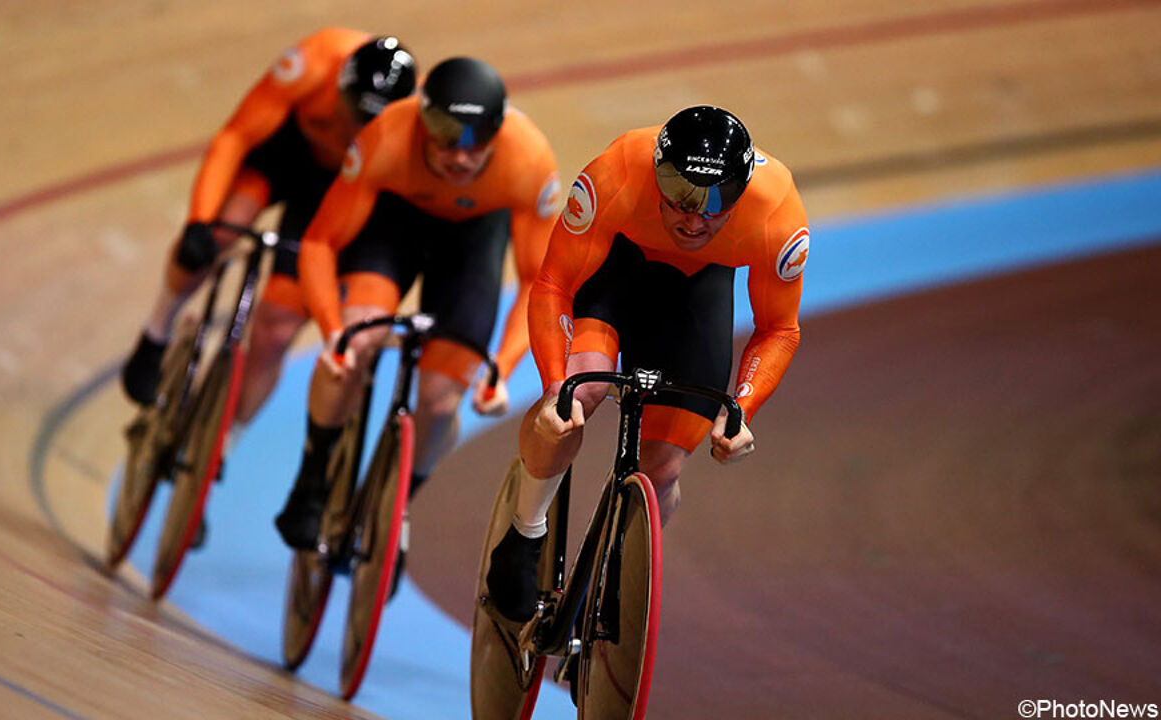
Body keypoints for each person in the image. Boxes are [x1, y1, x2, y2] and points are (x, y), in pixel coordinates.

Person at [484, 105, 810, 621]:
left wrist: (742, 408)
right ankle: (526, 531)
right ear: (656, 174)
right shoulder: (615, 170)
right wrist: (554, 387)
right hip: (618, 272)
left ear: (743, 189)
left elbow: (778, 329)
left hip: (696, 295)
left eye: (717, 201)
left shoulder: (777, 209)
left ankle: (617, 573)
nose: (695, 218)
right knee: (578, 397)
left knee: (662, 467)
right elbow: (553, 285)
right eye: (679, 196)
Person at [274, 57, 563, 553]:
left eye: (476, 143)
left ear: (498, 132)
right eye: (445, 136)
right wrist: (331, 332)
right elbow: (320, 241)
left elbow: (539, 280)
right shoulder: (387, 136)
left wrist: (504, 368)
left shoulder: (530, 159)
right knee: (357, 340)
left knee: (440, 399)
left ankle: (399, 502)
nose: (460, 157)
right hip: (394, 224)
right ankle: (313, 475)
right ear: (423, 121)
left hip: (473, 242)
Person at [119, 28, 417, 444]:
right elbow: (235, 137)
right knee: (220, 233)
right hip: (283, 155)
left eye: (368, 122)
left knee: (275, 331)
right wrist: (199, 221)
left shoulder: (407, 127)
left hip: (333, 192)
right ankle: (156, 333)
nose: (353, 127)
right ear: (340, 85)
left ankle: (220, 446)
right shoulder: (310, 64)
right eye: (351, 111)